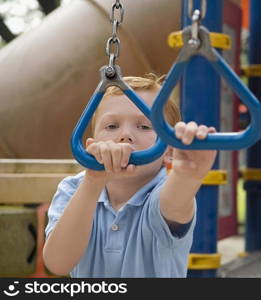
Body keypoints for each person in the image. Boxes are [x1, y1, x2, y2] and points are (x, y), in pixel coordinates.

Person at [43, 74, 217, 278]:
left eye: (144, 126)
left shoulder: (163, 192)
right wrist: (93, 181)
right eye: (112, 126)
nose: (125, 135)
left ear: (168, 151)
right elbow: (58, 264)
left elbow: (176, 201)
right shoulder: (74, 188)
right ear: (91, 144)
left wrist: (187, 174)